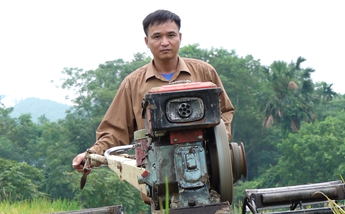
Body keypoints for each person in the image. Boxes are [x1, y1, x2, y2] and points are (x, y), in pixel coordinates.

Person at [72, 10, 235, 178]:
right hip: (157, 177)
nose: (165, 42)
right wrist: (91, 155)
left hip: (208, 171)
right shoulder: (132, 84)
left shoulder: (204, 73)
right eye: (157, 37)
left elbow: (225, 111)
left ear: (180, 37)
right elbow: (114, 131)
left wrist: (218, 142)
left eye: (171, 35)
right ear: (147, 41)